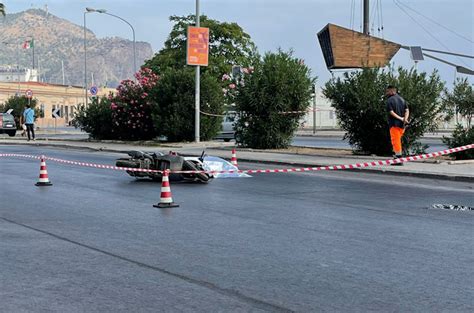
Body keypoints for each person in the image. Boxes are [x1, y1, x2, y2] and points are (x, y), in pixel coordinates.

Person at [385, 85, 409, 165]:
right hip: (402, 125)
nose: (386, 93)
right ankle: (396, 157)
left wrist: (400, 118)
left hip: (394, 124)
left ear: (392, 91)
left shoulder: (389, 100)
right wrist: (405, 119)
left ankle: (398, 159)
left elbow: (391, 112)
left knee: (396, 141)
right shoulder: (402, 99)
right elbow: (407, 110)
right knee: (398, 140)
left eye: (387, 91)